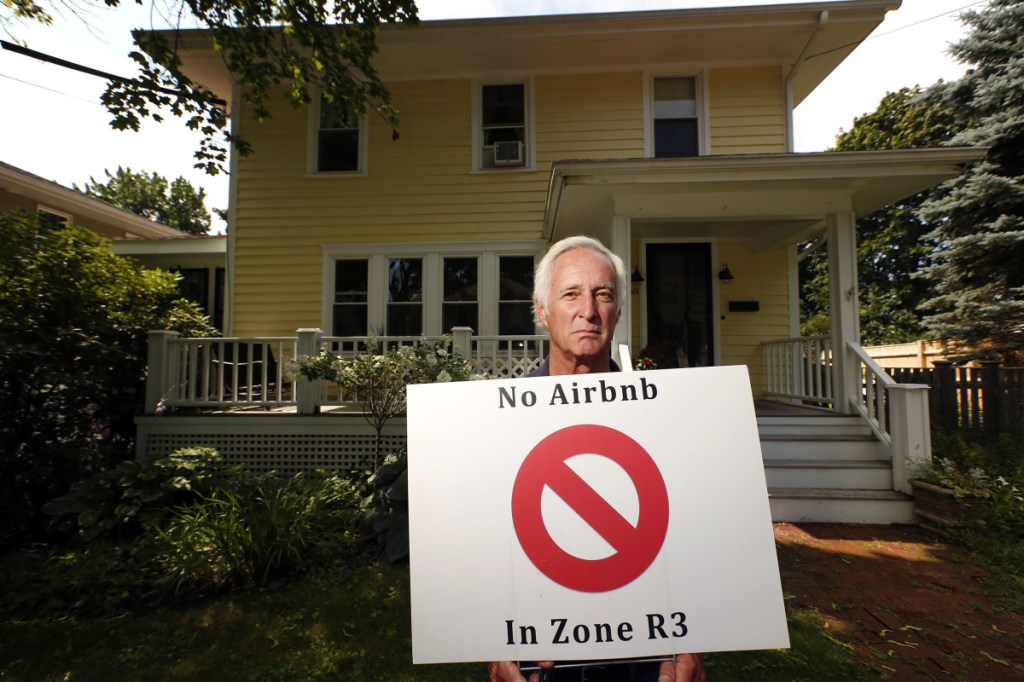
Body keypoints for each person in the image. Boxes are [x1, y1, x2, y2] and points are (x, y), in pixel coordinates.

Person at [488, 236, 707, 682]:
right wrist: (491, 642)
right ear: (541, 309)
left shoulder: (659, 418)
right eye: (571, 294)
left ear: (618, 311)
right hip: (540, 654)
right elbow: (480, 545)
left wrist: (693, 643)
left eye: (602, 294)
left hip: (644, 656)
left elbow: (687, 539)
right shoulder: (497, 424)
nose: (588, 310)